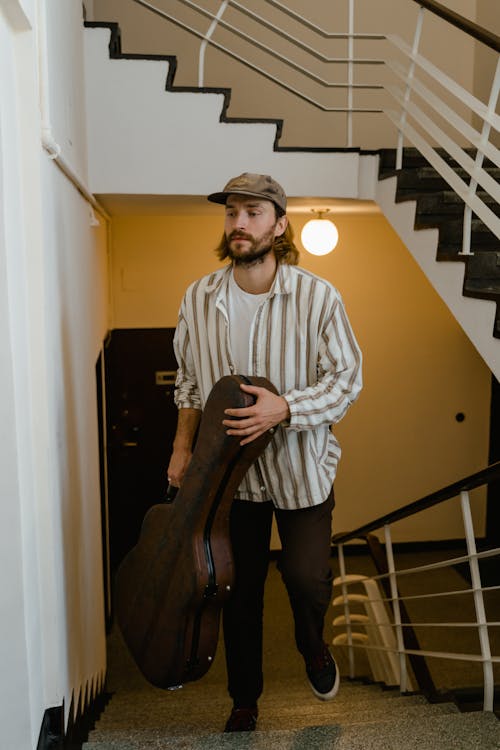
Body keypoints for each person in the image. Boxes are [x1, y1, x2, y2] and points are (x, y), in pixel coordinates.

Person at [167, 172, 362, 732]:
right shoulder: (198, 298)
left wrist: (287, 408)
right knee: (237, 589)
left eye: (253, 213)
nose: (239, 224)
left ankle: (312, 644)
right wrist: (181, 449)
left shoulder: (318, 296)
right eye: (232, 213)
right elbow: (188, 384)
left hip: (301, 471)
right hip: (229, 479)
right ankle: (243, 701)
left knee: (305, 579)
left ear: (279, 225)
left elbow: (347, 378)